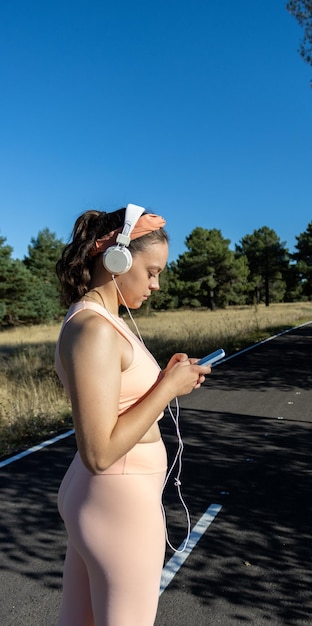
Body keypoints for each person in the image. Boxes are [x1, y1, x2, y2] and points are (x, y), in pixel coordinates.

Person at [54, 204, 211, 626]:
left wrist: (168, 378)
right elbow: (99, 451)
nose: (157, 284)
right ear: (117, 259)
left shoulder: (103, 321)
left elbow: (119, 397)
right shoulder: (95, 330)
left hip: (104, 499)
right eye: (152, 271)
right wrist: (165, 389)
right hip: (117, 503)